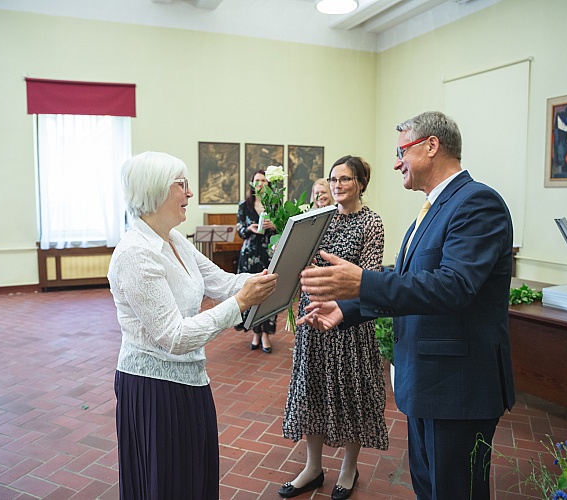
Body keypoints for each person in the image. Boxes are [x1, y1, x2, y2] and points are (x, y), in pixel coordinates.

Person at [297, 111, 515, 500]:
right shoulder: (430, 211)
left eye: (402, 152)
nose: (397, 163)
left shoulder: (477, 203)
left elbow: (454, 286)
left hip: (457, 387)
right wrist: (346, 309)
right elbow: (408, 283)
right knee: (428, 488)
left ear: (431, 146)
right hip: (427, 381)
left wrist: (362, 282)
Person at [108, 151, 277, 499]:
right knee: (168, 484)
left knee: (193, 479)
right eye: (181, 184)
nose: (190, 193)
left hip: (191, 380)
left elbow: (223, 282)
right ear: (156, 190)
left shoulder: (175, 240)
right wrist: (241, 303)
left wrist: (273, 277)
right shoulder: (135, 253)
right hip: (154, 390)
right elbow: (175, 337)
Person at [280, 156, 387, 500]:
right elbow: (302, 263)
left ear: (360, 183)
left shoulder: (371, 222)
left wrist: (334, 291)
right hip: (314, 319)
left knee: (351, 395)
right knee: (312, 391)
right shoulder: (320, 218)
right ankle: (313, 468)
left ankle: (348, 468)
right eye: (333, 179)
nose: (337, 185)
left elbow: (369, 277)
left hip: (350, 323)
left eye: (345, 179)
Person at [236, 169, 277, 352]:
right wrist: (249, 228)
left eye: (264, 180)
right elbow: (239, 230)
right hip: (250, 256)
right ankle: (255, 332)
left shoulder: (275, 204)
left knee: (268, 294)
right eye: (257, 180)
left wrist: (274, 225)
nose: (260, 183)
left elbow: (283, 228)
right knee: (251, 294)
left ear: (269, 184)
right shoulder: (244, 205)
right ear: (252, 183)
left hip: (269, 254)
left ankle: (266, 334)